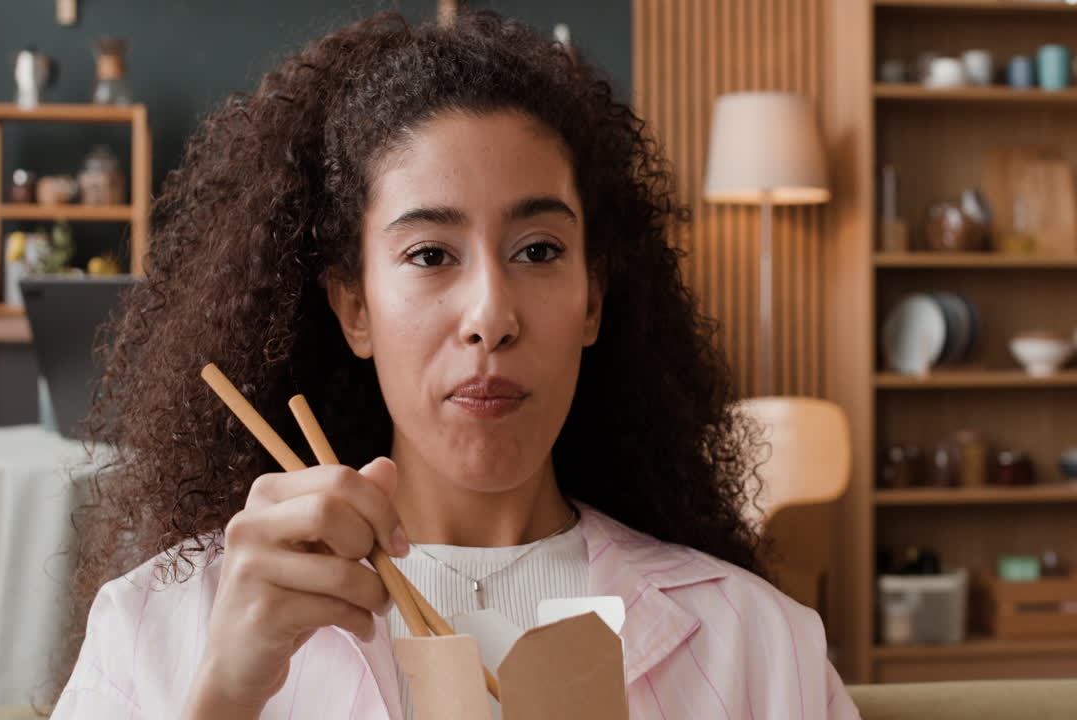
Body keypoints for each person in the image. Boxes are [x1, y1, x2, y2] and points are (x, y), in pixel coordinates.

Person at [52, 9, 859, 720]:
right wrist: (222, 699)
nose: (490, 318)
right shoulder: (168, 622)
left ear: (593, 300)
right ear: (354, 306)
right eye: (431, 253)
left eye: (538, 250)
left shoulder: (756, 643)